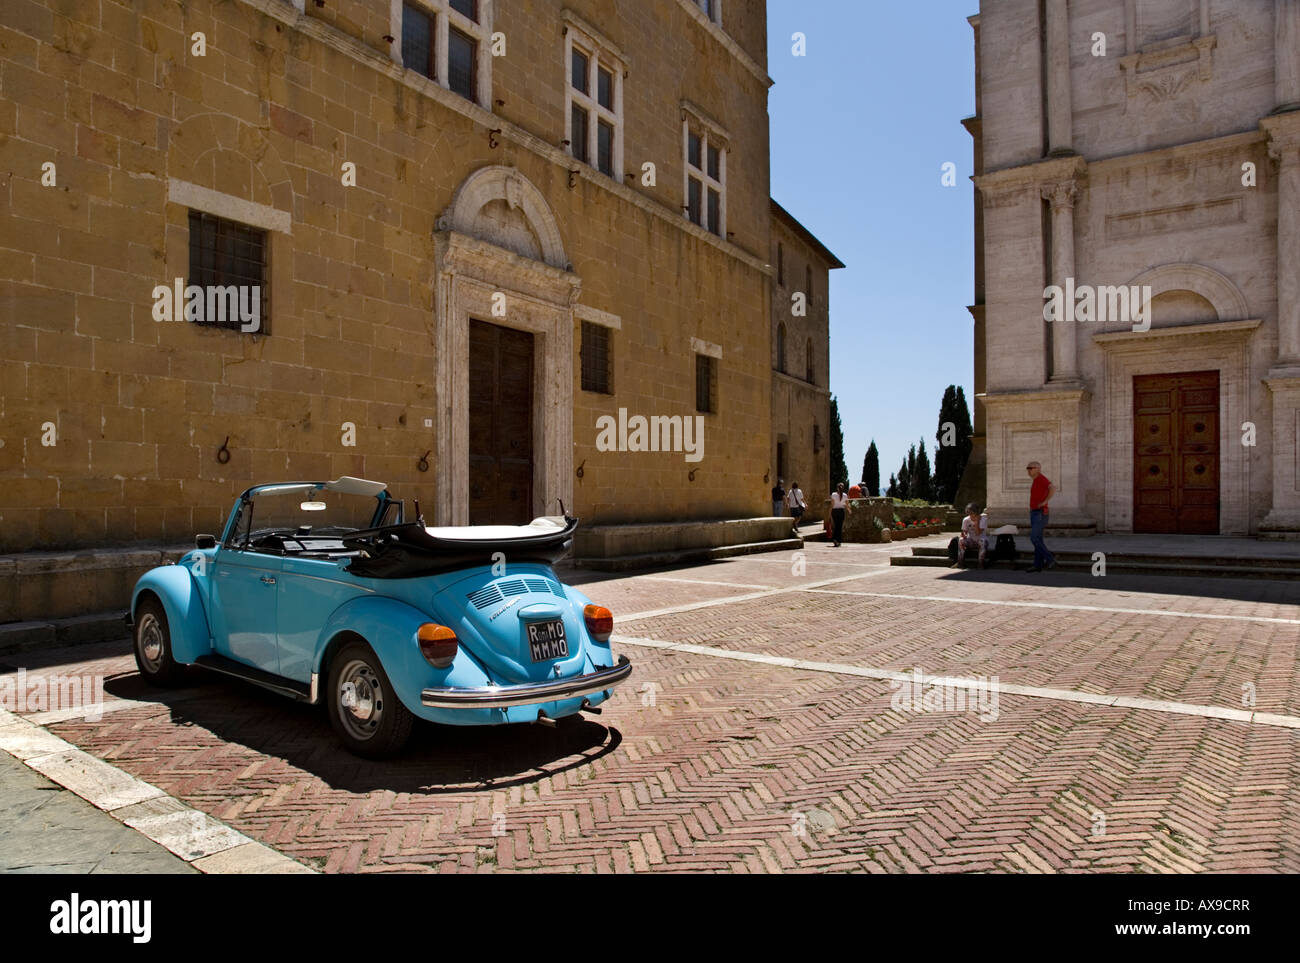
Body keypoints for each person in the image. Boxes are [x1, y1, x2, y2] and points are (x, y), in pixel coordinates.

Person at [1026, 461, 1057, 572]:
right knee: (1038, 539)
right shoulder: (1036, 480)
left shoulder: (1041, 479)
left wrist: (1045, 502)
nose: (1028, 470)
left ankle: (1050, 559)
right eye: (1027, 468)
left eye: (1031, 468)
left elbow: (1052, 488)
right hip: (1035, 513)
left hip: (1040, 513)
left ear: (1038, 469)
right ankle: (1037, 565)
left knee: (1034, 538)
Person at [952, 501, 987, 568]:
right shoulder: (966, 520)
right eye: (969, 513)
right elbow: (964, 531)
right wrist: (964, 534)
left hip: (980, 540)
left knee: (982, 541)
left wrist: (977, 521)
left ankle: (980, 563)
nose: (970, 515)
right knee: (961, 540)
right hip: (971, 540)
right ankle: (960, 562)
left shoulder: (983, 519)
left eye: (972, 513)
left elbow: (978, 533)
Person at [829, 482, 852, 547]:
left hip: (834, 511)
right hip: (841, 511)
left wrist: (829, 513)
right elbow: (847, 504)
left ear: (837, 488)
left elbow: (832, 504)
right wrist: (849, 510)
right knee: (839, 526)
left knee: (835, 526)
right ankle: (838, 540)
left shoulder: (833, 494)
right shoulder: (845, 495)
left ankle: (835, 539)